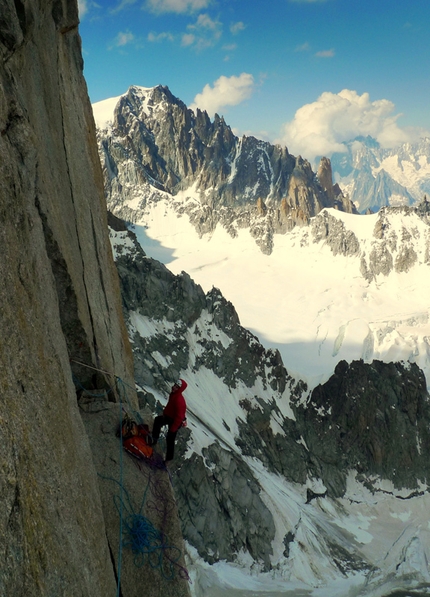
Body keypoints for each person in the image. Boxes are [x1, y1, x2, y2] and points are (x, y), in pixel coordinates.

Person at [152, 379, 187, 463]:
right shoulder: (174, 395)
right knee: (158, 421)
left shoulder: (179, 400)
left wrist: (173, 429)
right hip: (170, 417)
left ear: (180, 389)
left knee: (170, 439)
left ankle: (168, 459)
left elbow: (179, 417)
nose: (174, 387)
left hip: (175, 421)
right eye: (175, 385)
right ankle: (154, 439)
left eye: (177, 387)